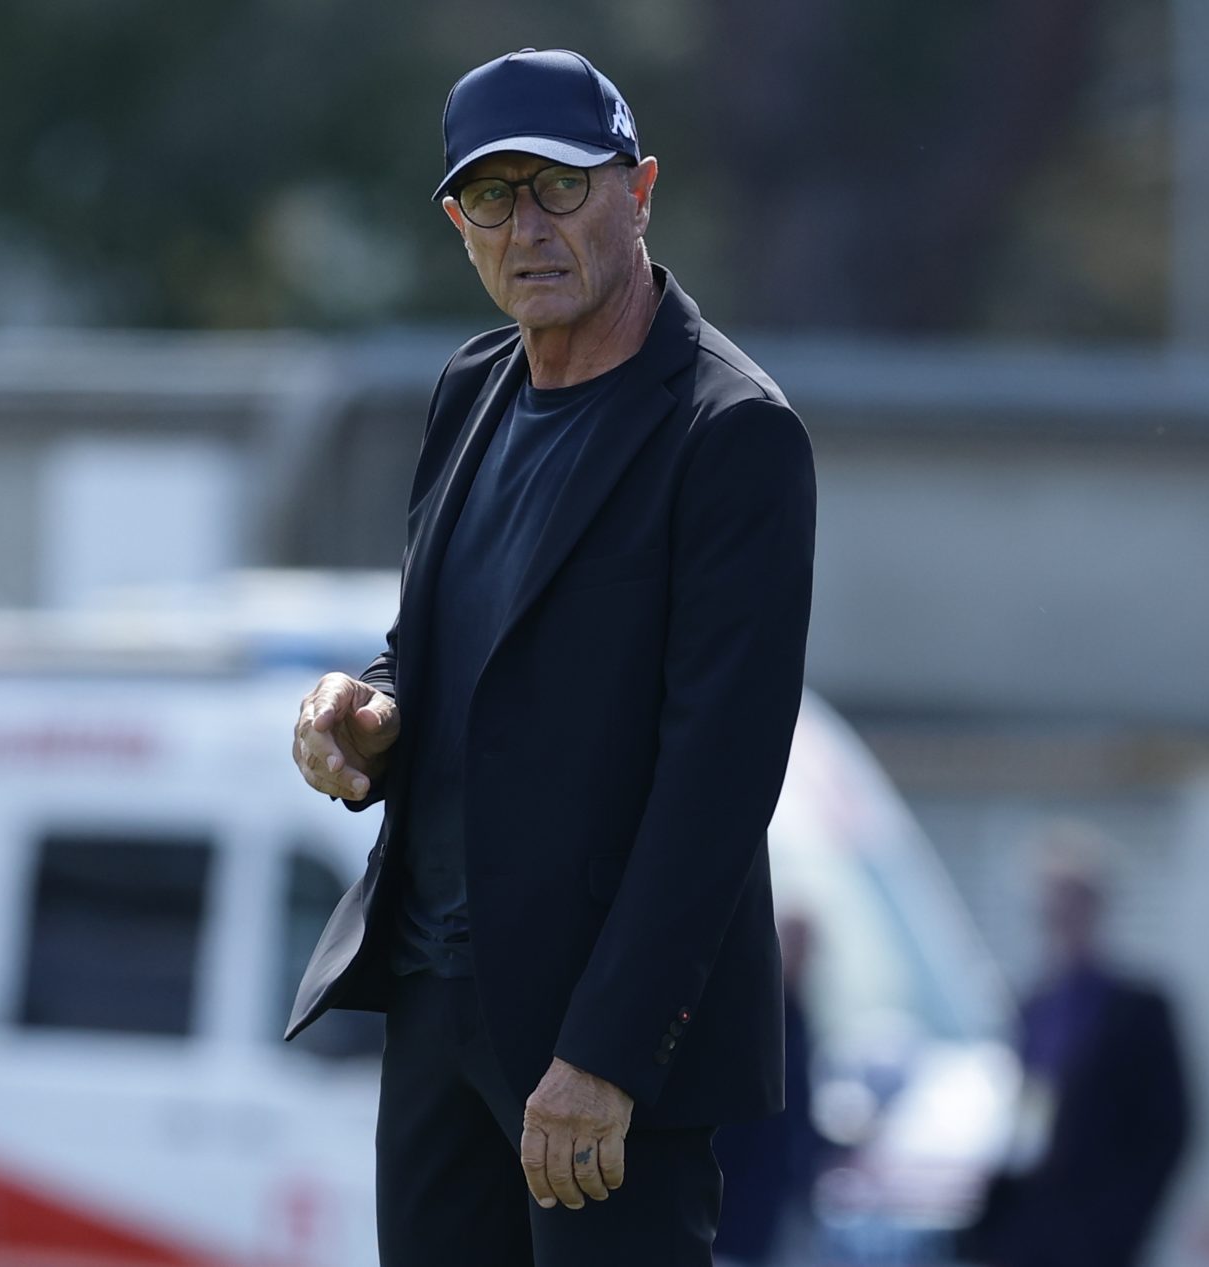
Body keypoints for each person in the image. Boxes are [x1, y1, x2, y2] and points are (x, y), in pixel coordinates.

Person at [284, 48, 816, 1266]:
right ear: (457, 225)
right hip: (432, 1000)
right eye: (490, 196)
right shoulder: (469, 387)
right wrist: (370, 710)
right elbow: (445, 653)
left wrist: (606, 1054)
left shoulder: (732, 433)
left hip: (593, 1052)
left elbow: (720, 782)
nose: (526, 227)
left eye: (560, 186)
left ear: (640, 192)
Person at [956, 822, 1193, 1267]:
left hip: (1097, 1233)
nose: (1061, 913)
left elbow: (1171, 1128)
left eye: (1073, 899)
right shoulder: (1036, 1006)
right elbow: (1027, 1120)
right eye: (1052, 901)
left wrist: (1123, 1223)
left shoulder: (1138, 1009)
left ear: (1097, 906)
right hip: (1031, 1231)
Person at [713, 912, 827, 1266]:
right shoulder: (753, 1012)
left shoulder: (796, 1013)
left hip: (780, 1189)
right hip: (740, 1194)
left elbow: (797, 1107)